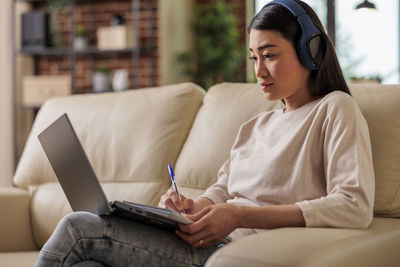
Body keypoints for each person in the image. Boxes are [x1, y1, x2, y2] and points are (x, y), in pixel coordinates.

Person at [35, 0, 375, 266]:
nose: (259, 70)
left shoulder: (334, 109)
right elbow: (223, 189)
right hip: (204, 242)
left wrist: (241, 215)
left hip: (235, 252)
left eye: (269, 55)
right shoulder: (256, 125)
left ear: (310, 51)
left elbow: (353, 206)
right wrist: (191, 206)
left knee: (76, 228)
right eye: (254, 57)